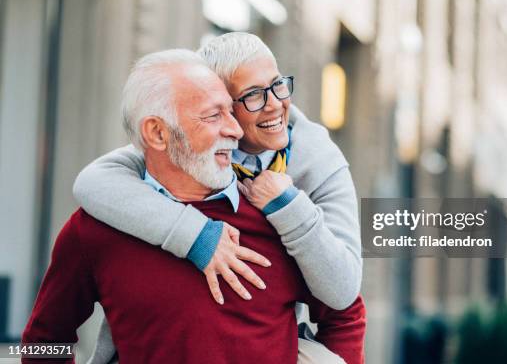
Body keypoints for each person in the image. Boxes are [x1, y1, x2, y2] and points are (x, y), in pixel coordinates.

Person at [22, 50, 366, 363]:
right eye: (213, 116)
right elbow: (44, 341)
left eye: (231, 111)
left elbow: (344, 310)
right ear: (157, 134)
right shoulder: (94, 231)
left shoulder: (279, 216)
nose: (235, 130)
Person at [74, 34, 361, 307]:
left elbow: (344, 293)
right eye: (253, 95)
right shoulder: (190, 151)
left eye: (278, 85)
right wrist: (198, 236)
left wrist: (287, 205)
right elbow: (93, 182)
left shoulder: (319, 158)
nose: (275, 104)